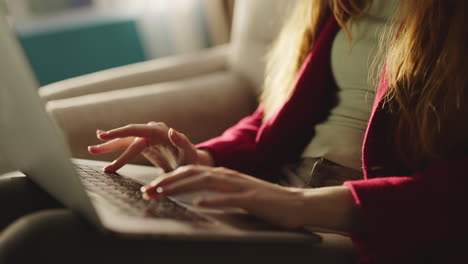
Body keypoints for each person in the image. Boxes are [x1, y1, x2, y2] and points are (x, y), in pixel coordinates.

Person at [1, 0, 467, 263]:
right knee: (18, 195)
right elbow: (274, 119)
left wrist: (297, 205)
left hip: (354, 221)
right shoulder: (342, 6)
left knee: (40, 241)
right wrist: (200, 159)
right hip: (279, 186)